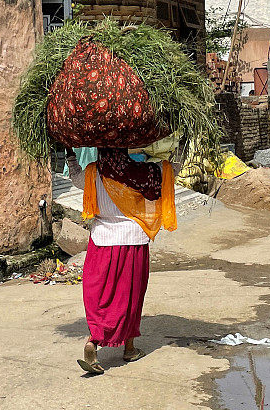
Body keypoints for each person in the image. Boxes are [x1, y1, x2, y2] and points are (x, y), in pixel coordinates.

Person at [66, 146, 176, 375]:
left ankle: (94, 341)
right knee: (131, 295)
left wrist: (69, 154)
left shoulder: (92, 173)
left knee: (100, 295)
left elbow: (75, 176)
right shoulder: (141, 173)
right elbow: (171, 171)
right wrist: (184, 145)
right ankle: (129, 348)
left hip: (102, 241)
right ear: (124, 150)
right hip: (132, 241)